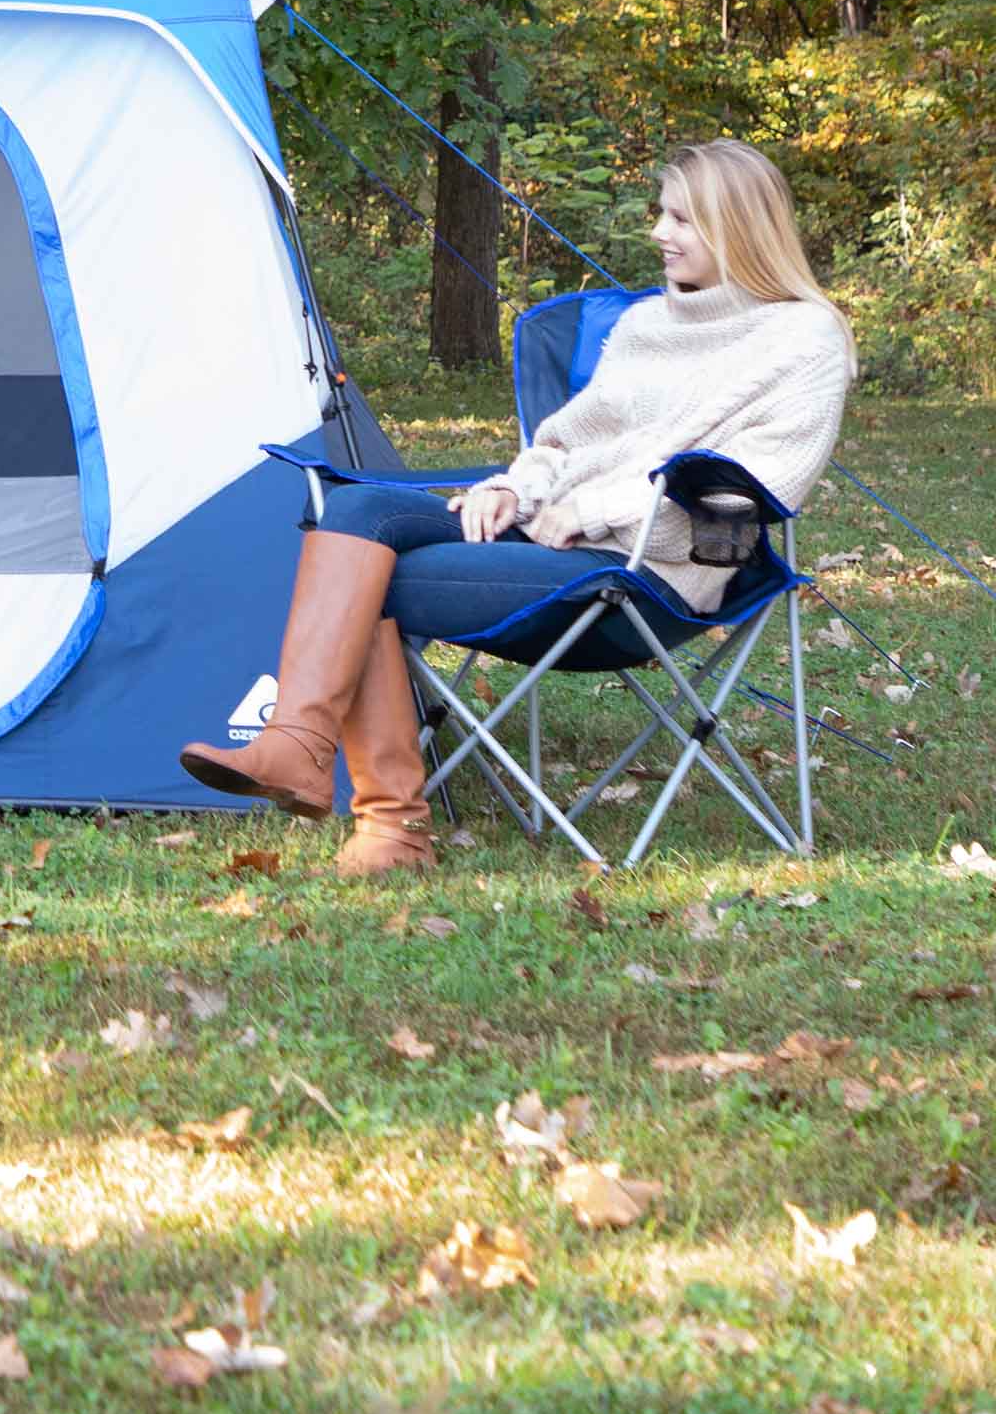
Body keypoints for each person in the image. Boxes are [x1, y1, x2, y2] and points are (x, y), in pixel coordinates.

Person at [182, 138, 853, 876]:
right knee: (360, 511)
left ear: (742, 228)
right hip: (547, 539)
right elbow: (565, 442)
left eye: (684, 220)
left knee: (363, 584)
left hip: (646, 579)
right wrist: (512, 488)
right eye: (662, 213)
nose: (659, 233)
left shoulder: (802, 339)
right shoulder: (647, 325)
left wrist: (600, 512)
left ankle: (390, 828)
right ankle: (300, 747)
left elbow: (755, 493)